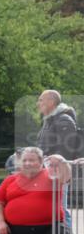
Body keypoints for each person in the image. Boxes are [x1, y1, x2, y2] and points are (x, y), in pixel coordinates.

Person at [37, 90, 78, 225]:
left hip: (58, 171)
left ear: (51, 102)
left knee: (60, 207)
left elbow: (66, 148)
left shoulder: (63, 119)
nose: (38, 104)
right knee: (54, 206)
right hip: (49, 169)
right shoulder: (50, 120)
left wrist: (57, 167)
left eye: (41, 100)